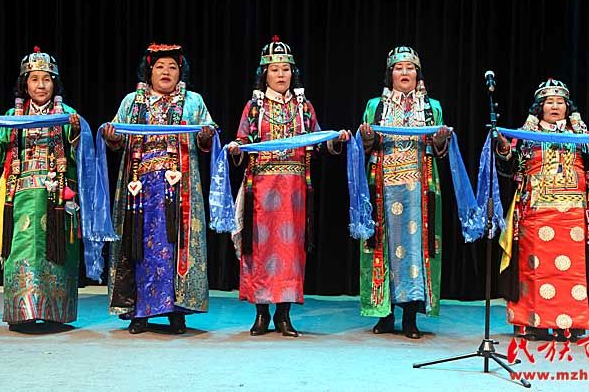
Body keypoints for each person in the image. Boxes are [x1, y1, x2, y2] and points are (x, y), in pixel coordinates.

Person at [228, 36, 348, 337]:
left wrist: (335, 139)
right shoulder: (254, 107)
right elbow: (242, 139)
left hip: (293, 190)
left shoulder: (303, 106)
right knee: (259, 249)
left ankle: (284, 315)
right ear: (264, 74)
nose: (281, 75)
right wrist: (237, 147)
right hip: (262, 188)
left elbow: (317, 140)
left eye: (286, 69)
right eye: (275, 70)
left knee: (290, 252)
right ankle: (261, 314)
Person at [495, 78, 589, 341]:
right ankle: (534, 324)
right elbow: (509, 168)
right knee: (535, 270)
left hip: (574, 216)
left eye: (560, 102)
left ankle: (570, 324)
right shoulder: (527, 136)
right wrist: (504, 148)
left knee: (572, 273)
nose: (555, 107)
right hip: (535, 213)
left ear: (568, 107)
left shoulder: (581, 136)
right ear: (539, 107)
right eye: (549, 102)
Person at [102, 44, 216, 334]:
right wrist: (112, 135)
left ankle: (177, 313)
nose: (166, 72)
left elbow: (207, 137)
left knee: (175, 247)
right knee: (139, 248)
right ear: (149, 71)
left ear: (180, 72)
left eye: (172, 67)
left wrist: (206, 135)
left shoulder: (193, 102)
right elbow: (117, 137)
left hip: (179, 187)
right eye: (160, 67)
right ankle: (139, 313)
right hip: (139, 187)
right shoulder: (132, 102)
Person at [0, 47, 82, 330]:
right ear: (25, 84)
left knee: (56, 255)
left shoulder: (68, 115)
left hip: (57, 199)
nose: (41, 85)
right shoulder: (13, 116)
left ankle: (56, 314)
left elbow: (81, 157)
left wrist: (77, 132)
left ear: (55, 83)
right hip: (19, 198)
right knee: (20, 252)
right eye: (34, 79)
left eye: (46, 79)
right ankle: (22, 313)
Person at [357, 46, 451, 339]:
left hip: (418, 189)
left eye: (410, 67)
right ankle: (384, 315)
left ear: (417, 73)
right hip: (383, 186)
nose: (405, 72)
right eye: (399, 68)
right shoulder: (376, 106)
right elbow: (366, 145)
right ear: (391, 74)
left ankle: (410, 317)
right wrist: (367, 138)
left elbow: (438, 149)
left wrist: (440, 139)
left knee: (415, 251)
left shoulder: (431, 107)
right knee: (381, 246)